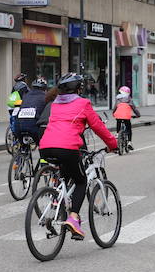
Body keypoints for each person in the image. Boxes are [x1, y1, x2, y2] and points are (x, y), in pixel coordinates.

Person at [39, 72, 118, 240]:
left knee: (66, 177)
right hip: (67, 148)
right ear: (79, 89)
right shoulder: (83, 103)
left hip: (45, 147)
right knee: (81, 181)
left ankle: (56, 203)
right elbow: (98, 127)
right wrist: (113, 144)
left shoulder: (54, 104)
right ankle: (73, 218)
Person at [11, 77, 49, 147]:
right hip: (34, 128)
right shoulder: (45, 97)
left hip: (18, 127)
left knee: (23, 145)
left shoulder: (25, 96)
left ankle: (22, 151)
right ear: (45, 88)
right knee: (42, 146)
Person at [113, 85, 141, 150]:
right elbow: (134, 109)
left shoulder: (118, 99)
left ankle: (117, 133)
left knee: (118, 121)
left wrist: (113, 113)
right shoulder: (129, 100)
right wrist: (138, 115)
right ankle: (129, 142)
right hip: (126, 116)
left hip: (118, 115)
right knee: (129, 128)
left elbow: (115, 107)